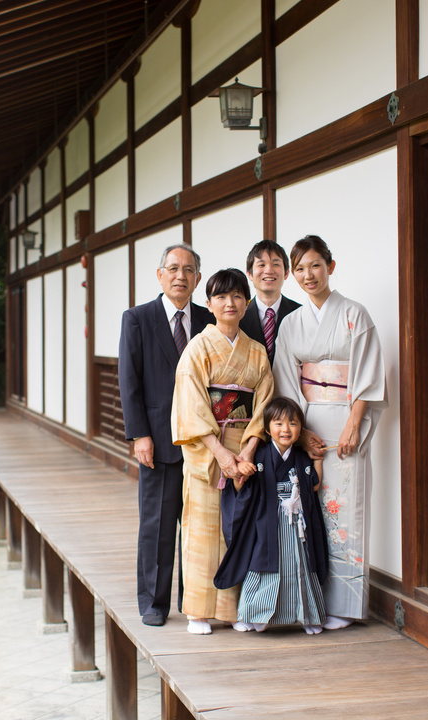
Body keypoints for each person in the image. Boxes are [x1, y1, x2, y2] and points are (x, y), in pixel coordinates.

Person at [272, 235, 387, 630]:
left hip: (345, 423)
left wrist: (355, 422)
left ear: (330, 267)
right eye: (300, 268)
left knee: (346, 511)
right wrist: (298, 432)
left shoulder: (356, 314)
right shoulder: (291, 324)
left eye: (315, 265)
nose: (308, 275)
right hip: (306, 424)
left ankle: (347, 605)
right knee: (308, 513)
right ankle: (312, 598)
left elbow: (368, 376)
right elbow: (287, 381)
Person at [172, 268, 273, 635]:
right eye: (220, 296)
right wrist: (220, 453)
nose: (229, 303)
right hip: (207, 449)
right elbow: (191, 406)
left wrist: (246, 453)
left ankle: (238, 609)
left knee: (241, 529)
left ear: (246, 303)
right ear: (209, 303)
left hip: (245, 450)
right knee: (202, 529)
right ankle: (198, 610)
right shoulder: (197, 348)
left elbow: (262, 406)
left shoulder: (257, 353)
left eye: (236, 296)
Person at [119, 244, 214, 627]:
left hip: (202, 442)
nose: (180, 276)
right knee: (157, 524)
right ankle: (153, 603)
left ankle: (194, 601)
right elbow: (129, 381)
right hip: (157, 439)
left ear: (198, 279)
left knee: (198, 526)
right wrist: (139, 434)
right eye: (173, 268)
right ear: (160, 275)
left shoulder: (209, 319)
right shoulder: (138, 318)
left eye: (188, 269)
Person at [215, 397, 328, 634]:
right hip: (268, 522)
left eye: (293, 424)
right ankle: (254, 614)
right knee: (262, 566)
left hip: (296, 523)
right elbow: (240, 490)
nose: (285, 429)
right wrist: (241, 473)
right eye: (278, 424)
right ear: (267, 429)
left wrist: (317, 461)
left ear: (301, 430)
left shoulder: (301, 456)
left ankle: (305, 616)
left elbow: (313, 486)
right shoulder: (261, 456)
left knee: (299, 566)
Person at [239, 239, 301, 365]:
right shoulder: (238, 316)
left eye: (276, 264)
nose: (269, 270)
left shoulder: (300, 314)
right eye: (261, 265)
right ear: (249, 274)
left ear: (287, 273)